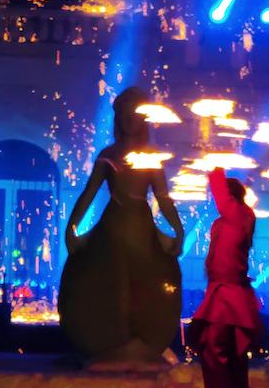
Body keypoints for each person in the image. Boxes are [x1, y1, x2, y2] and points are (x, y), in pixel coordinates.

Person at [58, 87, 184, 364]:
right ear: (118, 118)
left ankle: (141, 339)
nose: (130, 120)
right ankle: (110, 340)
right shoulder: (109, 155)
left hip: (141, 228)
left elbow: (163, 197)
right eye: (125, 114)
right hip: (113, 226)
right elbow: (89, 192)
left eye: (134, 114)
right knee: (111, 280)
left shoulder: (150, 157)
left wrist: (178, 229)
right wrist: (72, 226)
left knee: (144, 280)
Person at [190, 167, 263, 388]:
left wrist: (214, 166)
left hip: (227, 295)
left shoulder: (238, 215)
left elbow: (221, 195)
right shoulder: (230, 220)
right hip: (225, 292)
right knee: (227, 352)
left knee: (216, 348)